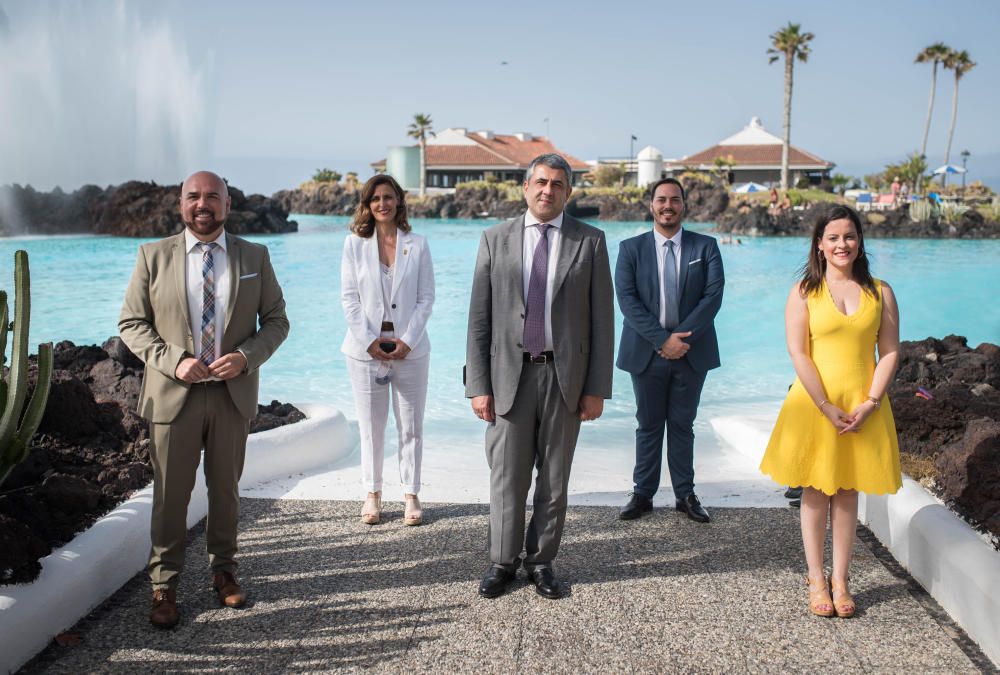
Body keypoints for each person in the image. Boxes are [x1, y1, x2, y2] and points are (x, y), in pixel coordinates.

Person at [119, 170, 289, 629]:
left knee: (226, 492)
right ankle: (164, 585)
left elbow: (276, 321)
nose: (202, 204)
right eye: (193, 196)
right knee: (170, 497)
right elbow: (132, 324)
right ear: (181, 204)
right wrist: (173, 360)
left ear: (227, 204)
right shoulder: (152, 256)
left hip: (232, 395)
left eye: (212, 196)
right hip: (174, 396)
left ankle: (225, 571)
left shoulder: (255, 255)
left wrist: (246, 357)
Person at [466, 153, 614, 599]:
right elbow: (479, 319)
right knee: (506, 477)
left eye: (557, 185)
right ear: (526, 187)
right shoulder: (495, 239)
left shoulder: (590, 242)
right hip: (508, 377)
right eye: (541, 182)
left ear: (568, 193)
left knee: (554, 478)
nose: (548, 190)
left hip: (564, 379)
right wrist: (478, 385)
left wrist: (596, 389)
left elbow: (603, 323)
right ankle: (502, 561)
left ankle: (542, 561)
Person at [759, 204, 901, 619]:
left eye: (850, 236)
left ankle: (841, 579)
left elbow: (890, 351)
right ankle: (816, 577)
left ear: (860, 241)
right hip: (815, 404)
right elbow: (798, 352)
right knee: (816, 489)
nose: (843, 244)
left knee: (848, 490)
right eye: (834, 237)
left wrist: (871, 402)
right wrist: (825, 405)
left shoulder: (881, 291)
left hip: (864, 404)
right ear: (819, 245)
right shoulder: (804, 291)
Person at [615, 178, 724, 523]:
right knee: (647, 424)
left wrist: (680, 339)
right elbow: (627, 301)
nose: (667, 206)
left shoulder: (705, 247)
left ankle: (685, 495)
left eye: (674, 200)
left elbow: (713, 296)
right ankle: (643, 494)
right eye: (661, 200)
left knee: (682, 423)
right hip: (646, 352)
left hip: (692, 353)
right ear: (651, 205)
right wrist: (662, 341)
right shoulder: (630, 249)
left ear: (683, 205)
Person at [341, 174, 435, 526]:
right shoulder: (353, 245)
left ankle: (411, 494)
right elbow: (349, 299)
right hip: (364, 351)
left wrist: (407, 340)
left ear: (399, 201)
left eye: (388, 197)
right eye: (375, 198)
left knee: (411, 426)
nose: (382, 204)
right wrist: (369, 341)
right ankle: (373, 493)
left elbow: (426, 299)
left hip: (411, 350)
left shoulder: (419, 244)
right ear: (367, 205)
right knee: (371, 426)